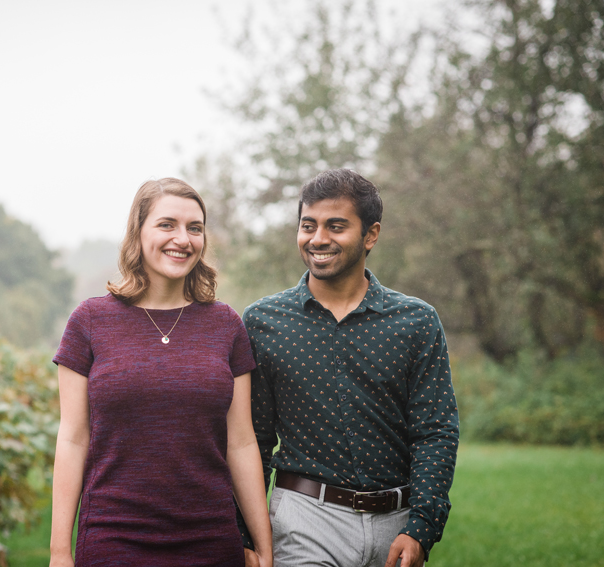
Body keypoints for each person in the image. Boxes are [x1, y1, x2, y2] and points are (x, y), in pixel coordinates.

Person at [239, 169, 459, 567]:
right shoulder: (262, 323)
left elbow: (435, 432)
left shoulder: (416, 322)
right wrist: (244, 535)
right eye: (309, 225)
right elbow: (251, 441)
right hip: (304, 518)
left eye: (335, 226)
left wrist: (422, 527)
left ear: (370, 235)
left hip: (397, 523)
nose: (318, 238)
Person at [49, 178, 273, 567]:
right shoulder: (90, 321)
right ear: (138, 232)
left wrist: (265, 548)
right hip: (112, 537)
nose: (182, 239)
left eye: (195, 228)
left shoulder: (226, 325)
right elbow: (72, 439)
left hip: (211, 539)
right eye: (167, 224)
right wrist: (58, 553)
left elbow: (240, 442)